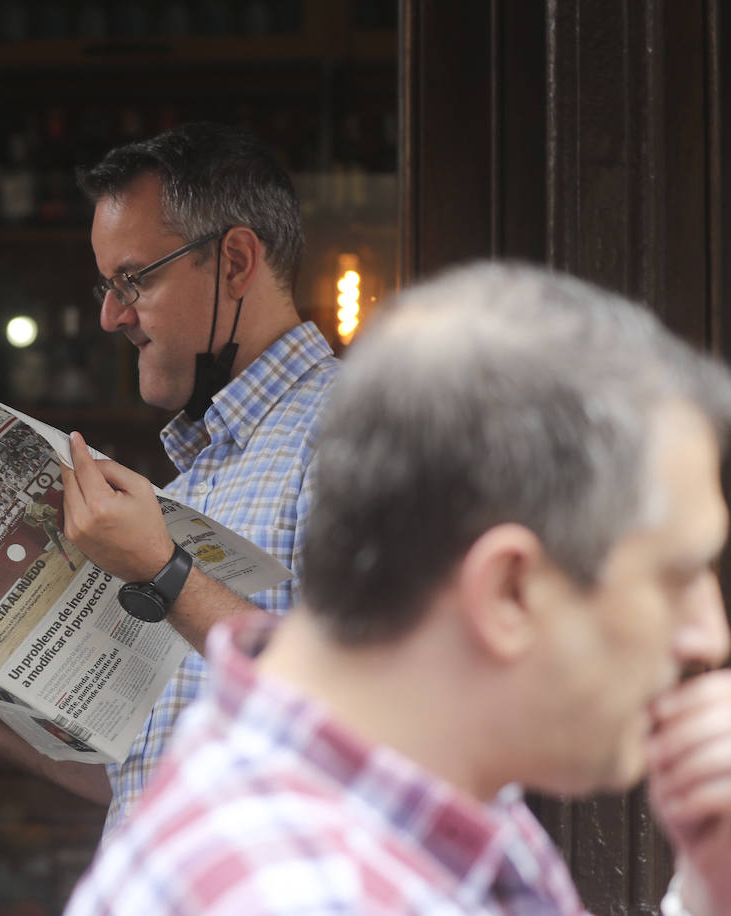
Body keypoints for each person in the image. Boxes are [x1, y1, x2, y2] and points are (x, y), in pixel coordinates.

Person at [64, 261, 731, 915]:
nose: (711, 634)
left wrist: (707, 888)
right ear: (509, 592)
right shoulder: (310, 893)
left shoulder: (427, 796)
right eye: (675, 577)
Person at [0, 122, 338, 828]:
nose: (113, 316)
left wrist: (163, 571)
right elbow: (137, 776)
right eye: (107, 285)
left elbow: (361, 710)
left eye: (134, 280)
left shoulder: (357, 432)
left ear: (235, 262)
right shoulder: (196, 476)